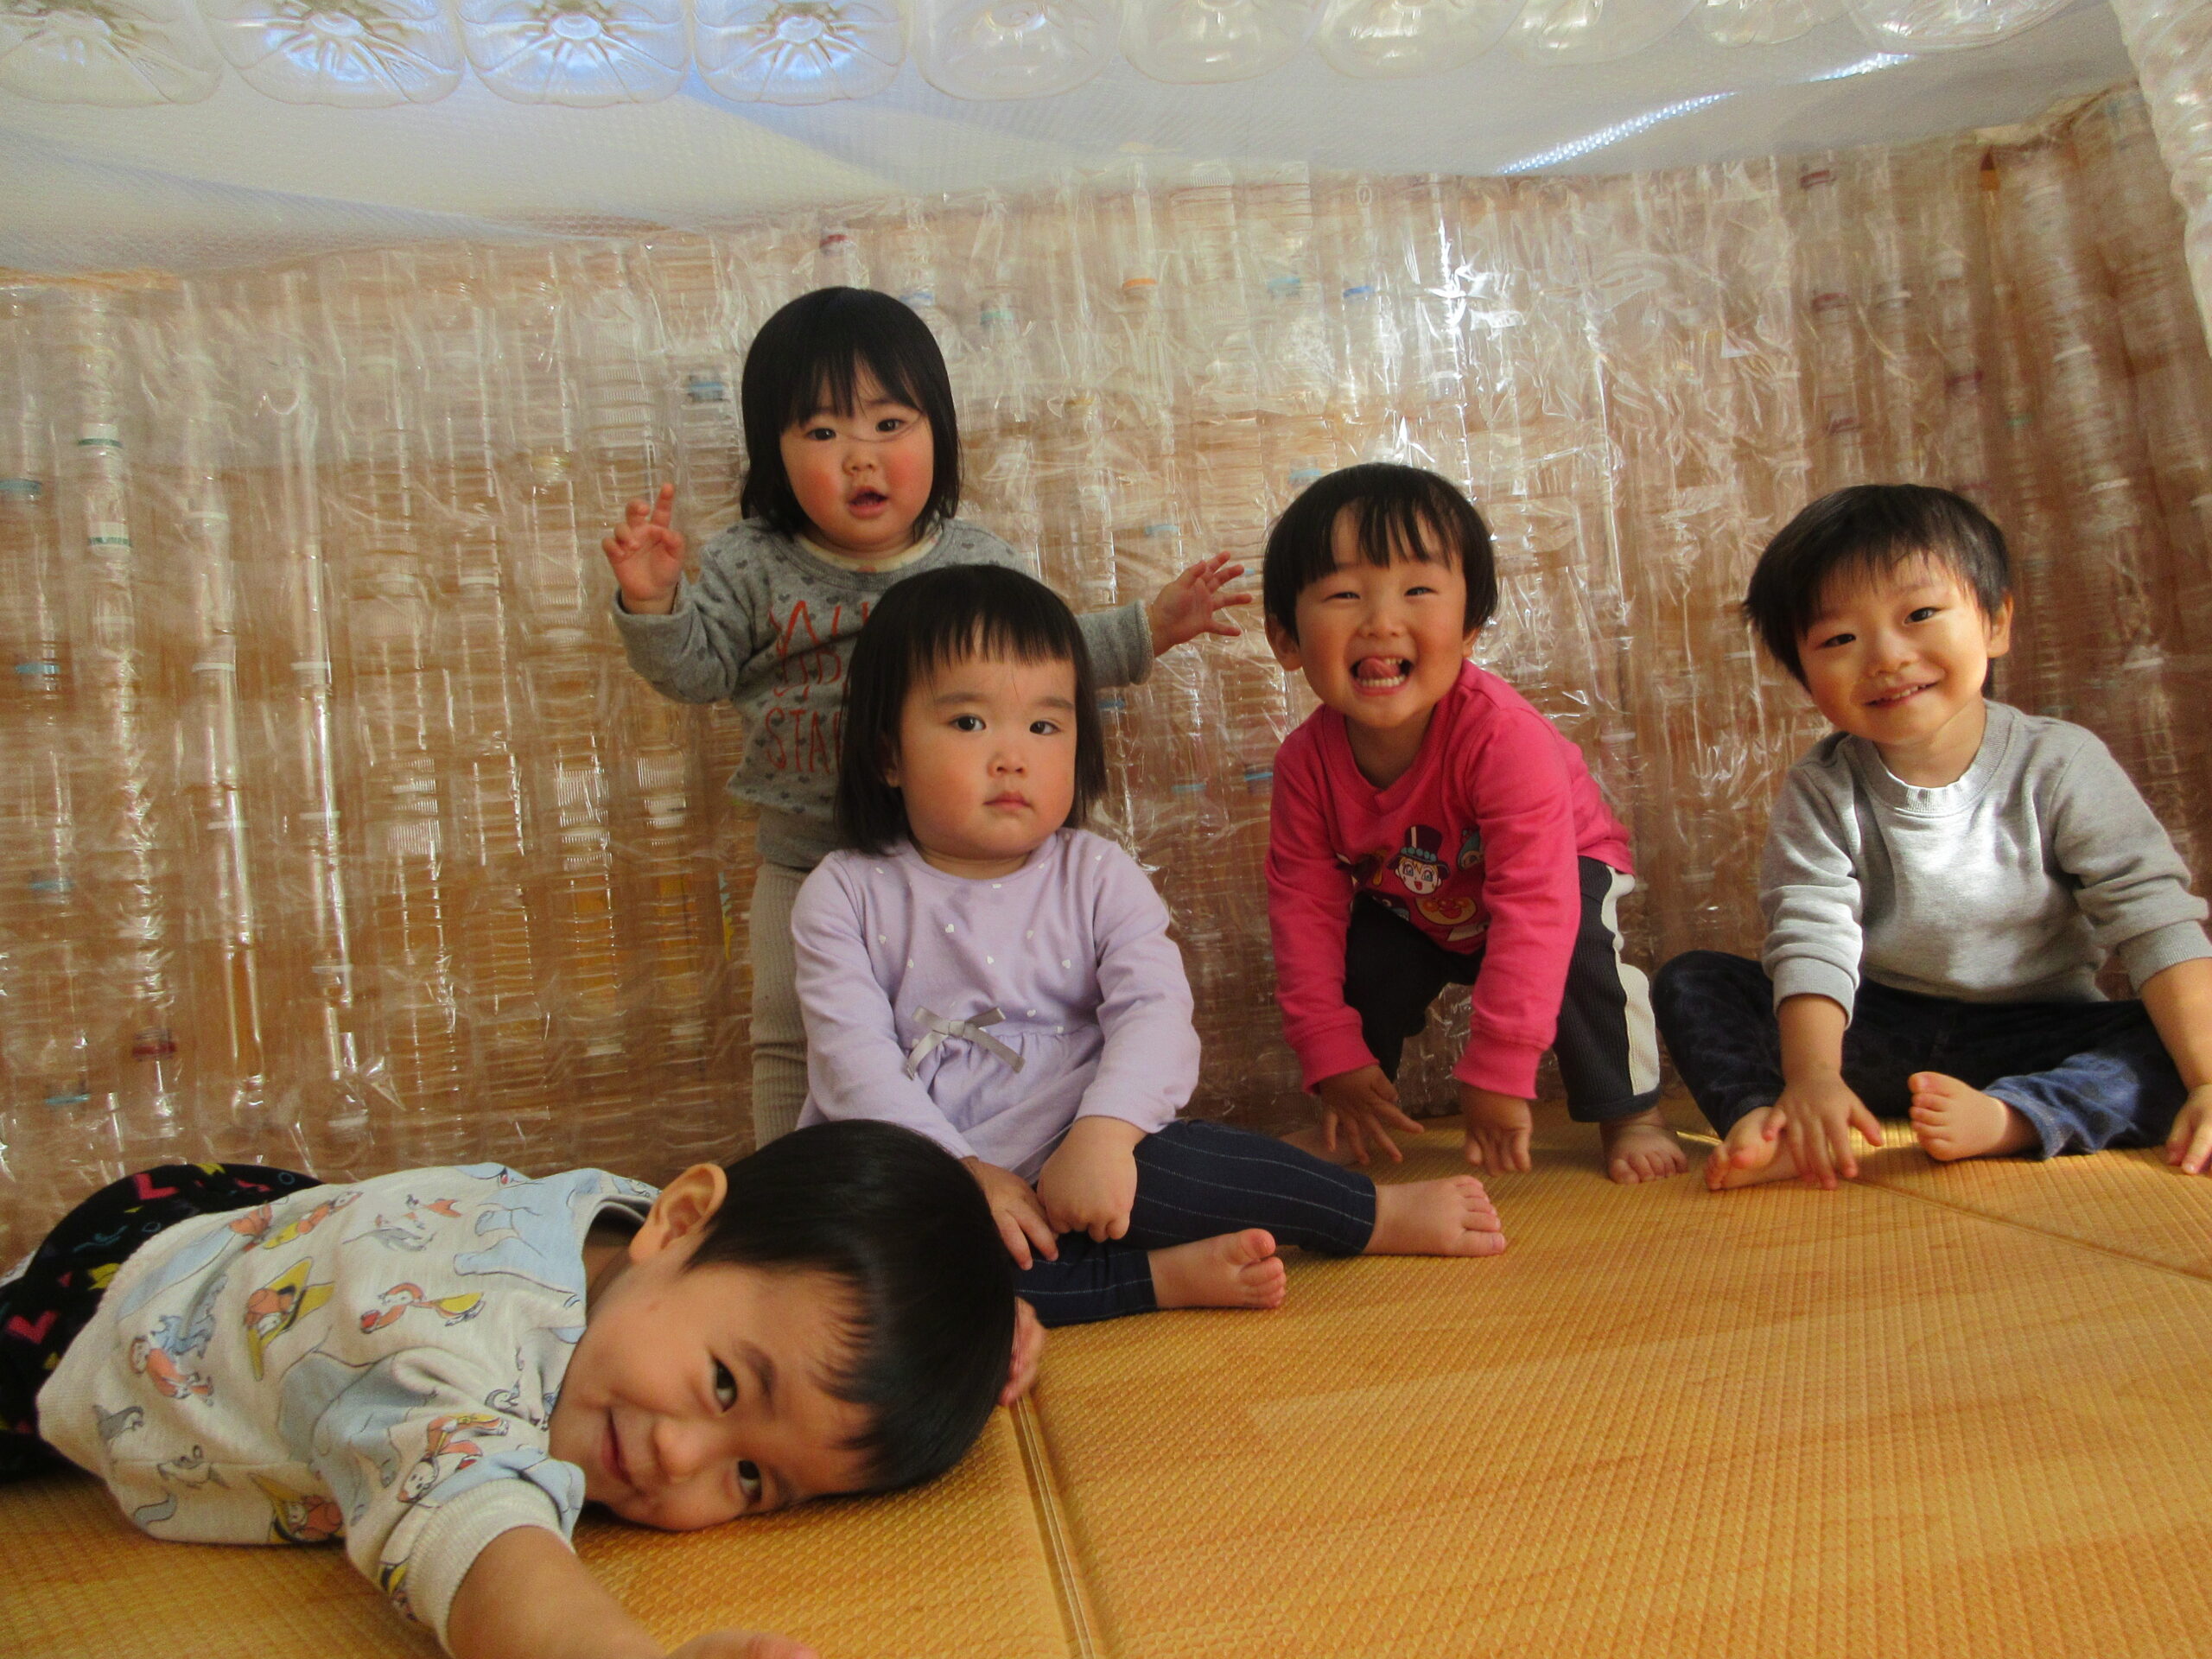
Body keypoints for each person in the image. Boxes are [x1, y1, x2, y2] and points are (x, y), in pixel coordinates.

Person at [0, 1122, 1039, 1659]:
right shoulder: (449, 1369)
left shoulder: (635, 1245)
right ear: (676, 1220)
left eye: (756, 1479)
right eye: (725, 1385)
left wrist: (967, 1330)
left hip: (268, 1224)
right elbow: (482, 1546)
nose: (683, 1458)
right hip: (114, 1317)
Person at [603, 287, 1248, 1147]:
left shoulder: (975, 557)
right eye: (822, 433)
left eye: (889, 425)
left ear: (937, 434)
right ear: (774, 454)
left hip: (947, 868)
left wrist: (1146, 630)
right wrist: (654, 607)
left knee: (938, 1037)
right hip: (806, 857)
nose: (859, 459)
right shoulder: (748, 564)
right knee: (792, 1040)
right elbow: (695, 671)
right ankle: (793, 1195)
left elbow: (1033, 670)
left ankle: (978, 1170)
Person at [791, 563, 1508, 1325]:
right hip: (925, 1175)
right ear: (887, 755)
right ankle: (1158, 1279)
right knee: (875, 1285)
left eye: (1044, 724)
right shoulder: (844, 891)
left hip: (1090, 1141)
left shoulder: (1097, 873)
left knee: (1201, 1169)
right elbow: (851, 1062)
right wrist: (963, 1175)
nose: (1013, 756)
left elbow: (1156, 1012)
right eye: (968, 723)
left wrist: (1106, 1133)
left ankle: (1369, 1216)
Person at [1651, 484, 2212, 1191]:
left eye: (1920, 614)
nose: (1886, 657)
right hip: (1876, 1029)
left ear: (1996, 622)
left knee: (2165, 1046)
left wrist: (2207, 1079)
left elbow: (2153, 917)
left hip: (2036, 1033)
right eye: (1838, 640)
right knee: (1694, 981)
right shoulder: (1823, 787)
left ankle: (2017, 1118)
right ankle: (1779, 1126)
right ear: (1803, 674)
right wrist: (1814, 1077)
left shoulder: (2062, 763)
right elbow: (1812, 935)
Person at [1261, 464, 1683, 1185]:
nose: (1381, 620)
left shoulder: (1503, 738)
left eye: (1418, 590)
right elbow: (1303, 913)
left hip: (1556, 876)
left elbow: (1536, 903)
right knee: (1364, 953)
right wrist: (1330, 1052)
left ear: (1470, 628)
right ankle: (1354, 1119)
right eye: (1342, 594)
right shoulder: (1305, 765)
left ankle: (1631, 1110)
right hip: (1421, 902)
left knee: (1582, 946)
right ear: (1286, 640)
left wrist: (1501, 1064)